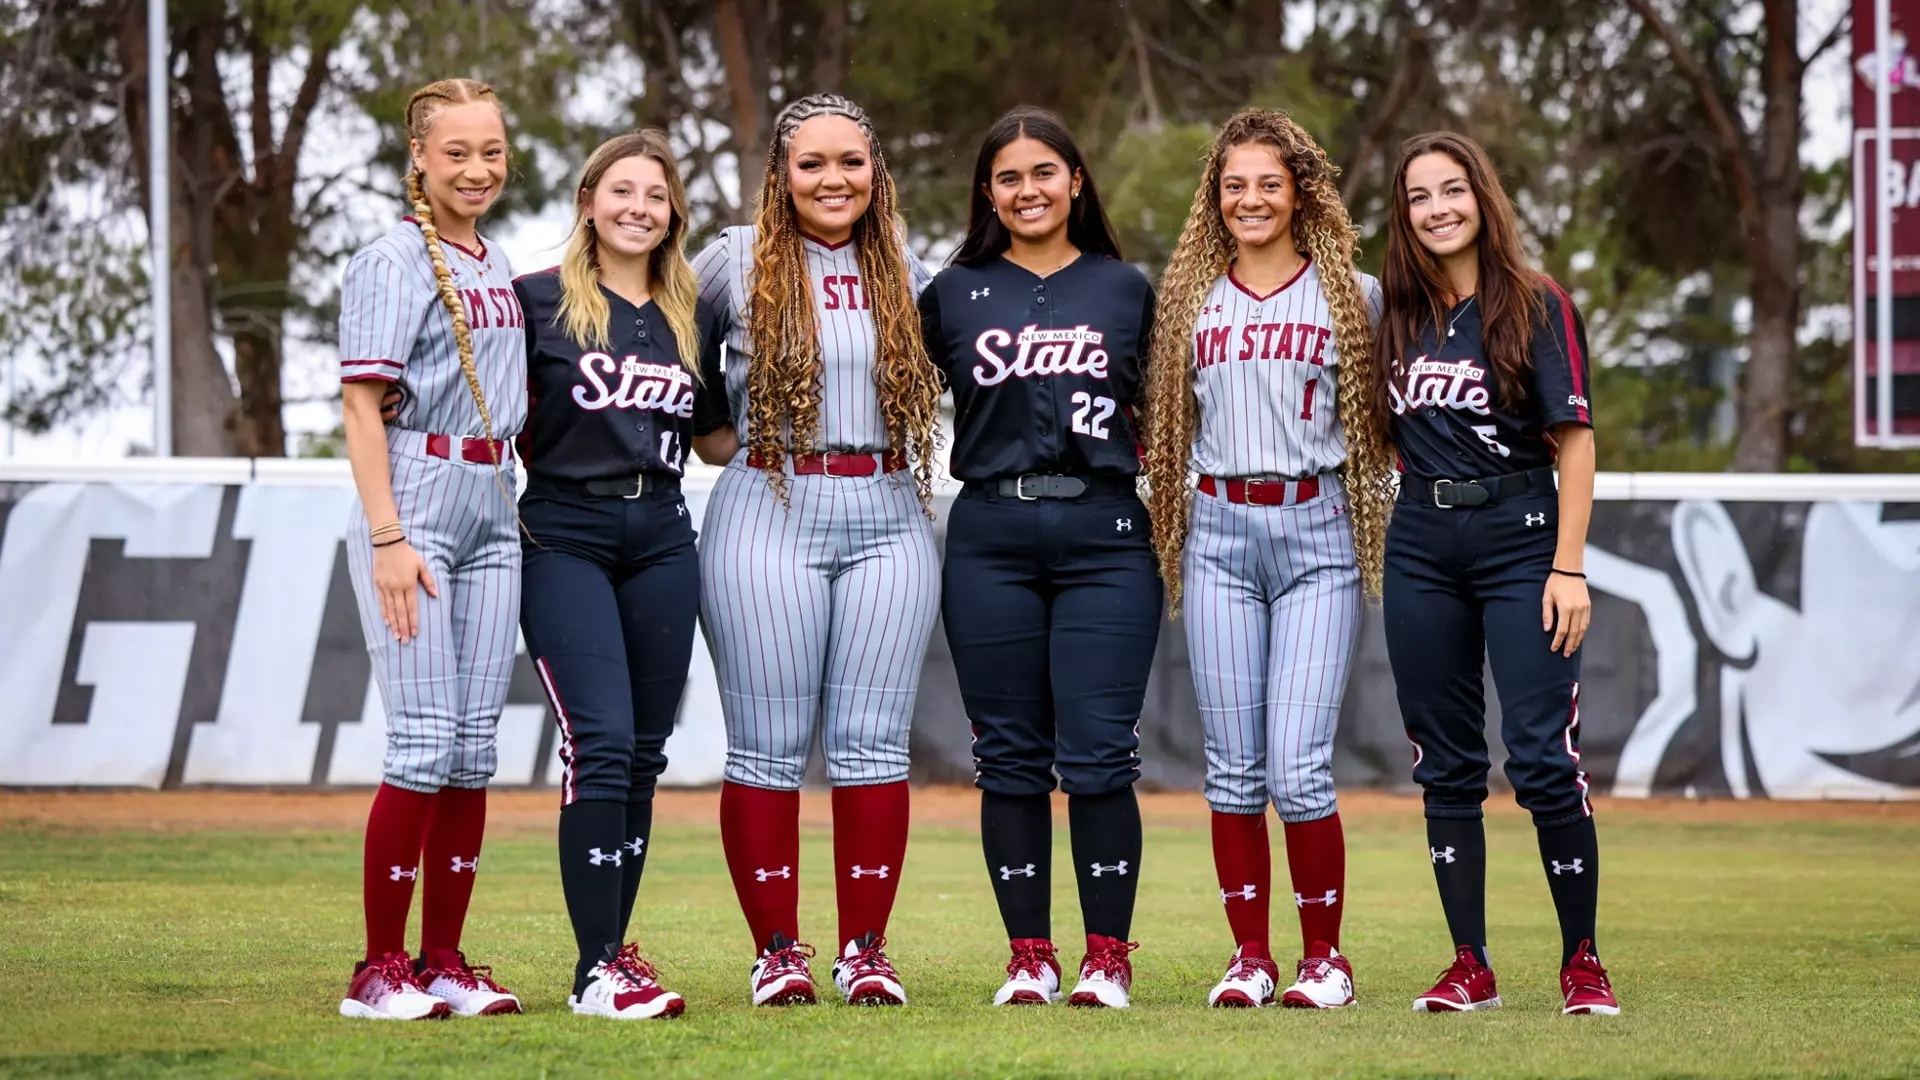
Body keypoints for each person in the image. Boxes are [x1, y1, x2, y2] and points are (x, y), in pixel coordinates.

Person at [691, 93, 944, 1008]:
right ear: (780, 174)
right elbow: (670, 346)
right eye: (811, 163)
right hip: (770, 499)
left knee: (873, 746)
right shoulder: (732, 256)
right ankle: (777, 952)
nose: (832, 179)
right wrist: (718, 430)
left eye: (851, 162)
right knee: (766, 747)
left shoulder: (908, 268)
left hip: (887, 507)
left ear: (877, 172)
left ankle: (866, 950)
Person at [1140, 107, 1394, 1010]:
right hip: (1216, 535)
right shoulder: (1186, 300)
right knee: (1235, 768)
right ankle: (1251, 955)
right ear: (1216, 197)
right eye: (1234, 185)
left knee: (1297, 766)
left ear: (1301, 194)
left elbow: (1392, 426)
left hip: (1317, 530)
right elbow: (1162, 427)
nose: (1251, 199)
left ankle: (1326, 958)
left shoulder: (1352, 295)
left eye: (1268, 184)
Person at [1370, 131, 1617, 1016]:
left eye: (1452, 190)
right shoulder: (1392, 310)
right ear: (1402, 214)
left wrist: (1569, 567)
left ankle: (1582, 960)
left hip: (1522, 539)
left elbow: (1578, 444)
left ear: (1482, 196)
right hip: (1421, 546)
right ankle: (1468, 963)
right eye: (1418, 197)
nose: (1437, 209)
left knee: (1545, 760)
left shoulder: (1536, 302)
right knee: (1445, 765)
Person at [919, 106, 1159, 1010]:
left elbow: (1176, 412)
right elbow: (889, 393)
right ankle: (1030, 955)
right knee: (1010, 756)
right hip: (989, 538)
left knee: (1100, 754)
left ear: (1076, 181)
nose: (1029, 190)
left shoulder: (1127, 289)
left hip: (1105, 536)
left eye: (1045, 173)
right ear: (989, 191)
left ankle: (1106, 956)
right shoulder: (952, 291)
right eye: (1010, 177)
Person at [513, 130, 728, 1020]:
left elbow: (714, 433)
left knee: (642, 757)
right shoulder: (533, 302)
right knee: (598, 744)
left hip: (665, 535)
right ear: (589, 200)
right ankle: (598, 969)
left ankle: (607, 961)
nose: (639, 208)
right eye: (621, 191)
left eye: (655, 195)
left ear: (673, 211)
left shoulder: (691, 312)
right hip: (565, 531)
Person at [335, 77, 525, 1020]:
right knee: (419, 744)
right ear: (418, 157)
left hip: (495, 496)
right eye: (456, 152)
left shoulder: (493, 262)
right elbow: (362, 405)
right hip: (417, 494)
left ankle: (443, 959)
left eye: (490, 150)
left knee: (471, 750)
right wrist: (388, 537)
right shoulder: (393, 259)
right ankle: (378, 970)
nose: (477, 168)